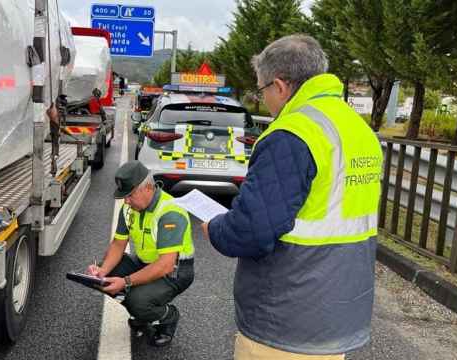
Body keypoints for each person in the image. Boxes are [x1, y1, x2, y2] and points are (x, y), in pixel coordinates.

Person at [202, 34, 383, 359]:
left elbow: (250, 232)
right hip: (336, 317)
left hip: (283, 322)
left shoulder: (293, 133)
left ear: (280, 86)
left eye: (262, 89)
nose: (265, 99)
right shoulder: (357, 130)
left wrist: (214, 228)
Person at [88, 161, 195, 347]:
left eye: (129, 195)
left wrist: (126, 281)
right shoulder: (129, 208)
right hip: (146, 263)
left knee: (138, 301)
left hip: (175, 272)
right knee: (106, 274)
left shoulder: (170, 212)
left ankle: (168, 317)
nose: (126, 201)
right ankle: (142, 313)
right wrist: (102, 272)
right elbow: (118, 244)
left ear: (147, 187)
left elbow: (165, 265)